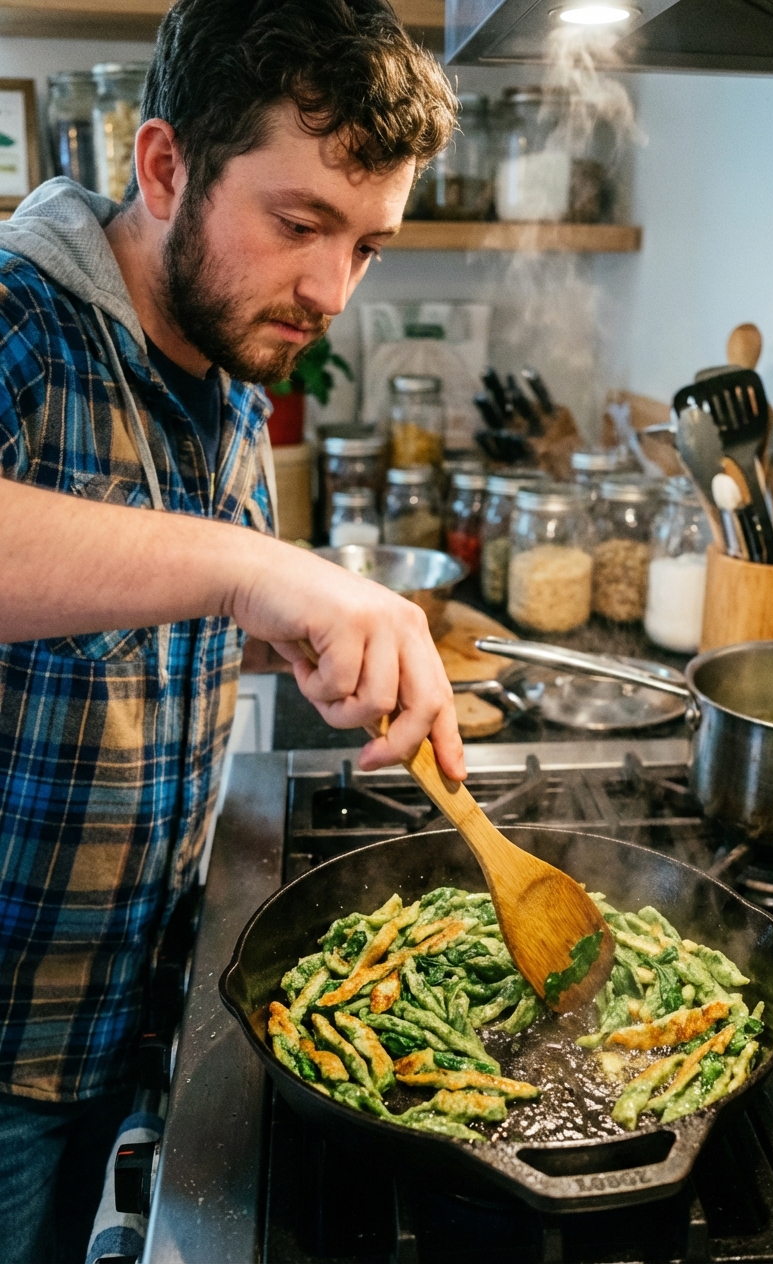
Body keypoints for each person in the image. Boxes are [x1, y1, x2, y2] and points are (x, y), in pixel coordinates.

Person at [0, 3, 459, 1259]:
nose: (331, 291)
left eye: (367, 243)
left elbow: (126, 612)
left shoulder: (223, 349)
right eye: (300, 222)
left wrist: (288, 638)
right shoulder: (21, 323)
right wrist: (255, 571)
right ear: (162, 167)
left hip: (119, 1004)